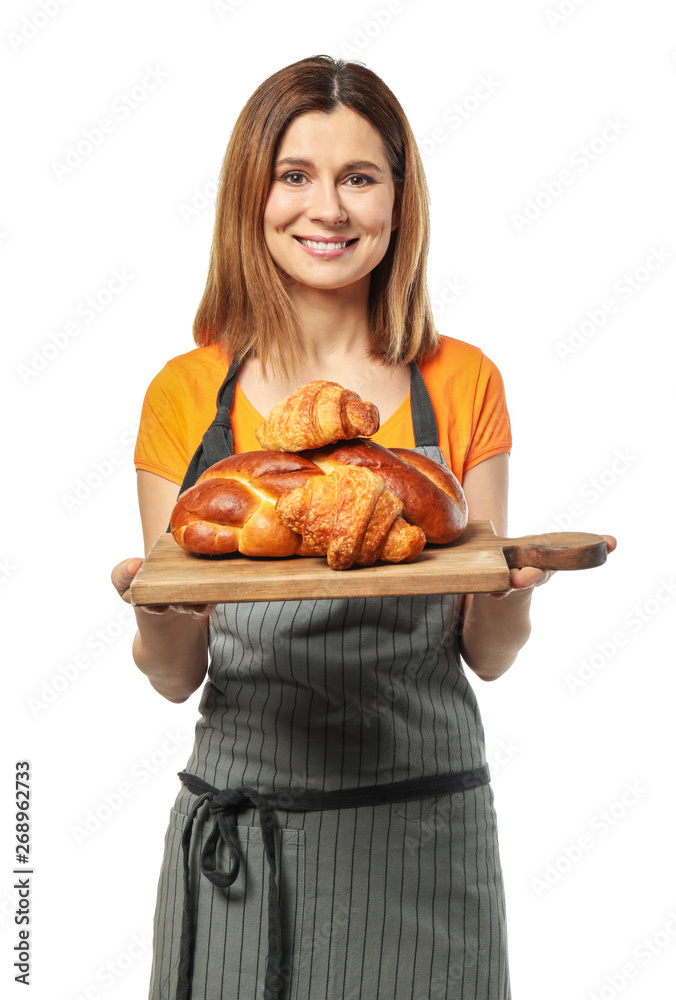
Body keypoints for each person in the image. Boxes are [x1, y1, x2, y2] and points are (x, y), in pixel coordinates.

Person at [111, 55, 614, 1000]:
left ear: (398, 200)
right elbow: (177, 677)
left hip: (424, 846)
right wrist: (150, 606)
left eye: (359, 177)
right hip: (243, 857)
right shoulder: (185, 395)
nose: (327, 209)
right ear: (250, 194)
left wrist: (511, 589)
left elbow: (491, 655)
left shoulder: (462, 384)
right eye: (295, 175)